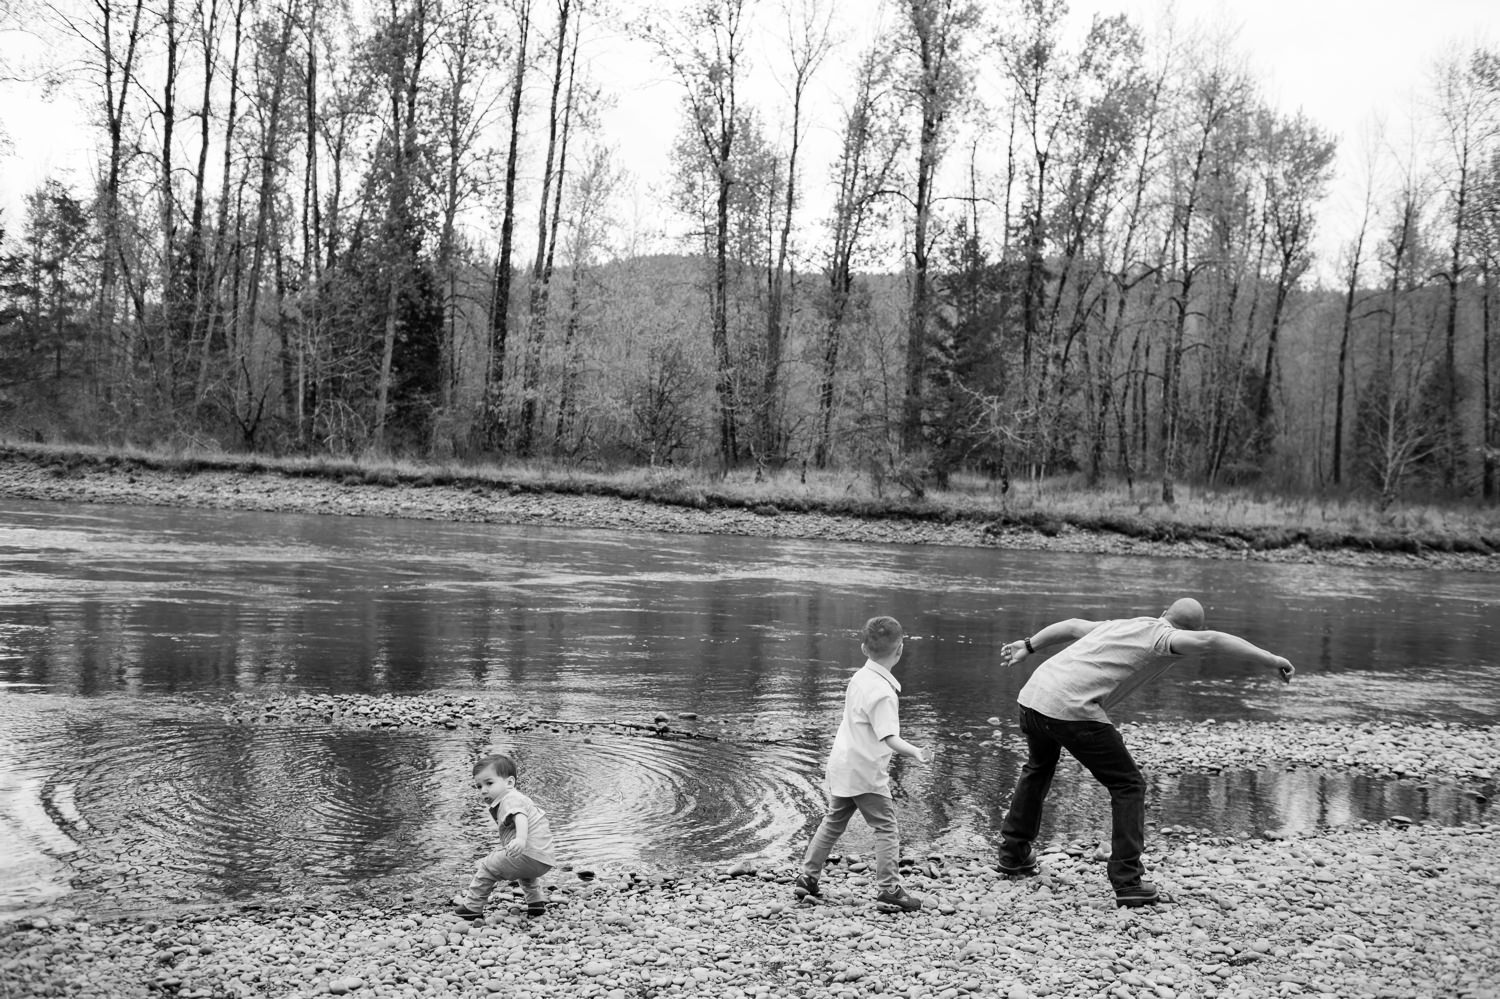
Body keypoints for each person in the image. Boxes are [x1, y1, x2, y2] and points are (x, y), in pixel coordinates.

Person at [996, 597, 1294, 908]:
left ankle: (1013, 853)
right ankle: (1128, 880)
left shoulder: (1123, 625)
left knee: (1039, 766)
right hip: (1070, 707)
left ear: (1164, 612)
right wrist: (1272, 659)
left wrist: (1028, 646)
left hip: (1033, 695)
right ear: (1192, 631)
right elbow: (1213, 639)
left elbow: (1071, 626)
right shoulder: (1167, 638)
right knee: (1129, 785)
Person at [795, 615, 933, 912]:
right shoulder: (883, 693)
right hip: (866, 771)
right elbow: (889, 738)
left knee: (833, 821)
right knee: (886, 827)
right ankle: (889, 888)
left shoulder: (859, 677)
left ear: (862, 648)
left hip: (843, 764)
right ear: (899, 650)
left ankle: (808, 877)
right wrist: (916, 752)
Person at [452, 753, 558, 919]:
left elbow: (520, 817)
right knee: (524, 873)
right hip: (544, 858)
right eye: (479, 786)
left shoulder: (510, 798)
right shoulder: (519, 798)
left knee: (487, 866)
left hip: (528, 852)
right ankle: (536, 903)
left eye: (489, 783)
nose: (483, 790)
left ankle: (472, 907)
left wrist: (521, 839)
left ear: (509, 782)